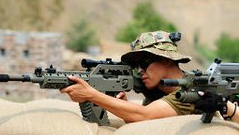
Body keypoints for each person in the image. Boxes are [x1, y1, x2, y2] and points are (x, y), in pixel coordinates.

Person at [60, 30, 197, 122]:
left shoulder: (190, 91)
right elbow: (143, 123)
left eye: (144, 63)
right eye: (136, 66)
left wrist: (92, 95)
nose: (140, 71)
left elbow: (144, 115)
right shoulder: (157, 93)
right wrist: (124, 106)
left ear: (166, 59)